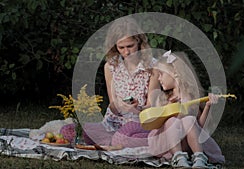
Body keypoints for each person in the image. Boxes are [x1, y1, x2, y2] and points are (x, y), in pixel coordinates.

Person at [60, 17, 160, 146]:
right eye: (121, 47)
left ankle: (124, 141)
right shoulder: (111, 66)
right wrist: (119, 105)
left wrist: (137, 108)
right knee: (67, 131)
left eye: (130, 46)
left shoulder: (153, 67)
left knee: (123, 137)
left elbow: (151, 106)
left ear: (139, 41)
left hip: (139, 122)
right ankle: (115, 141)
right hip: (112, 123)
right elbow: (112, 104)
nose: (126, 51)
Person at [146, 51, 225, 168]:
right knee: (171, 121)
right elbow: (158, 124)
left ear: (175, 74)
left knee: (189, 120)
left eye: (161, 74)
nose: (158, 78)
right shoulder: (163, 98)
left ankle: (199, 157)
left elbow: (200, 128)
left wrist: (207, 106)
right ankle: (178, 157)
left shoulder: (191, 98)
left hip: (188, 144)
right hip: (168, 143)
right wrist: (169, 108)